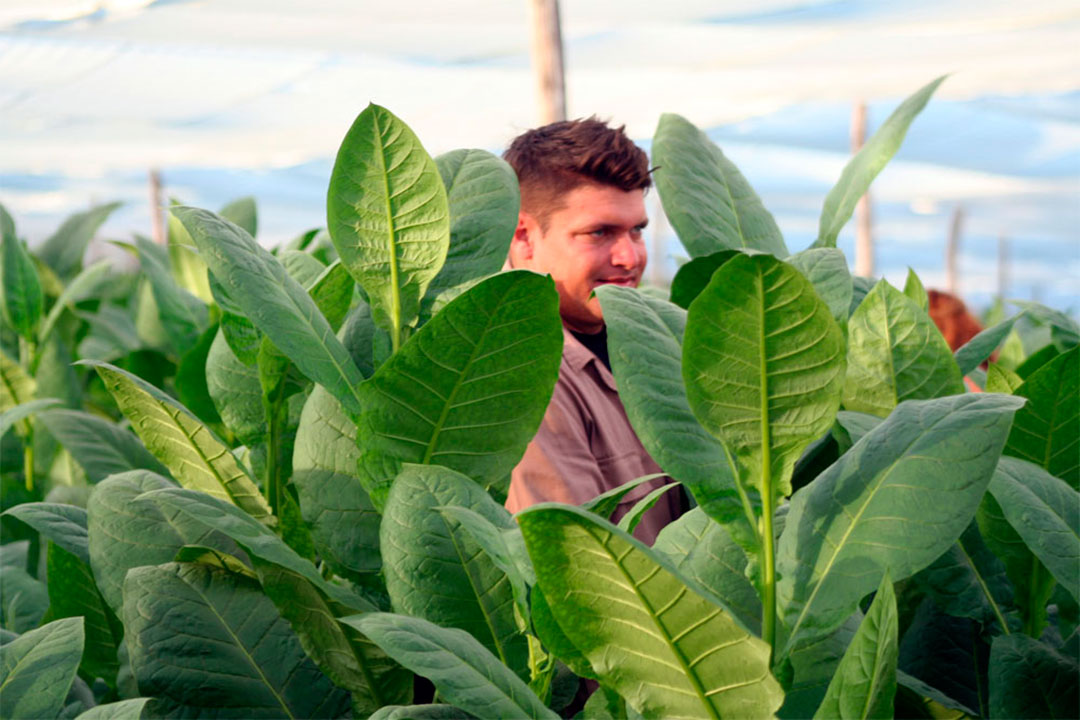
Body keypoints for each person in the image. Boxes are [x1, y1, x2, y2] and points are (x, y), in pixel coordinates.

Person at [502, 117, 682, 543]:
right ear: (524, 237)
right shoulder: (522, 372)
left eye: (636, 230)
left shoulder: (658, 341)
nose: (628, 257)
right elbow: (578, 562)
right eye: (599, 233)